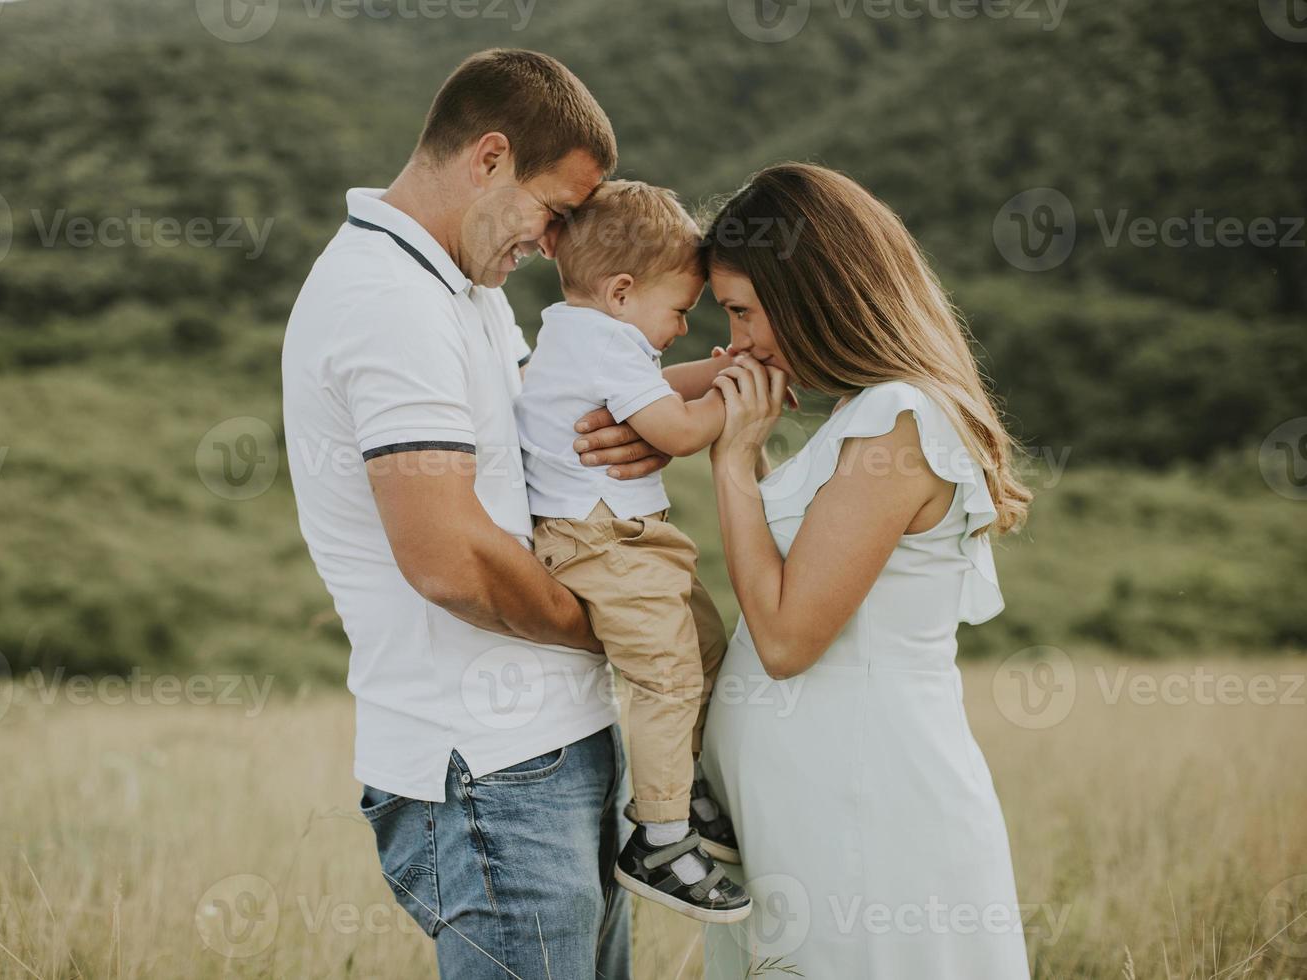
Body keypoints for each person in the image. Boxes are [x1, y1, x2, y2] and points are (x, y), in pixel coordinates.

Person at [280, 49, 729, 979]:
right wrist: (621, 633)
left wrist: (663, 416)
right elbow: (451, 560)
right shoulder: (388, 300)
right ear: (489, 159)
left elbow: (527, 422)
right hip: (487, 766)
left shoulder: (461, 287)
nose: (557, 241)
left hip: (547, 746)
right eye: (555, 212)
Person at [697, 162, 1035, 979]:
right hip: (811, 809)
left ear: (809, 288)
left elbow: (785, 638)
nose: (737, 340)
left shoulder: (899, 419)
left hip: (867, 810)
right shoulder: (859, 414)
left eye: (743, 311)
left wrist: (735, 465)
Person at [514, 180, 750, 923]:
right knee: (668, 676)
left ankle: (678, 779)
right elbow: (678, 431)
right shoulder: (604, 340)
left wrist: (722, 370)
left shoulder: (585, 334)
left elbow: (654, 389)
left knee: (704, 648)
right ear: (622, 292)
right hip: (602, 540)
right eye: (679, 309)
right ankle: (659, 836)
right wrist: (738, 402)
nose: (683, 327)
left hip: (628, 540)